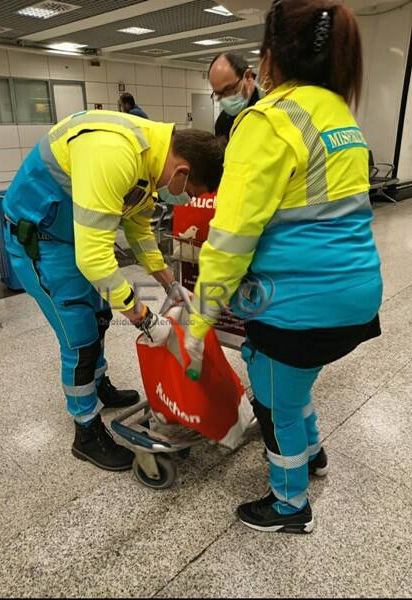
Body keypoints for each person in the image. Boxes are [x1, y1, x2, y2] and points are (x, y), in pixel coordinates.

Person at [185, 0, 383, 533]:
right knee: (291, 384)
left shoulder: (268, 121)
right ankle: (313, 454)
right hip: (356, 292)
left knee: (274, 405)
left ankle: (289, 504)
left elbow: (230, 239)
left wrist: (198, 319)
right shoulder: (339, 112)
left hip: (297, 301)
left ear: (269, 56)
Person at [3, 109, 224, 472]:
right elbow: (94, 259)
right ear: (182, 173)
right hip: (41, 242)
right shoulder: (115, 153)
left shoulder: (152, 160)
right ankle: (85, 430)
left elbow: (138, 230)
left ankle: (99, 383)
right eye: (191, 193)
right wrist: (145, 318)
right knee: (79, 337)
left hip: (77, 237)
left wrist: (170, 284)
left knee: (100, 317)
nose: (184, 200)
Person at [208, 53, 262, 140]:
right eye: (219, 94)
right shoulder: (222, 122)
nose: (225, 99)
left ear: (248, 76)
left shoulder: (269, 108)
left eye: (228, 89)